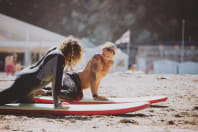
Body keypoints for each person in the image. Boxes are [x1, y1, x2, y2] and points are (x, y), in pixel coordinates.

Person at [0, 39, 82, 108]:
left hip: (27, 79)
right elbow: (57, 82)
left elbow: (52, 79)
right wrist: (57, 104)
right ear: (73, 54)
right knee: (4, 99)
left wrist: (57, 102)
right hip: (26, 83)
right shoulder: (60, 58)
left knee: (26, 103)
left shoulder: (55, 49)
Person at [38, 41, 116, 101]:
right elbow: (93, 77)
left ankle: (40, 89)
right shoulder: (97, 58)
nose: (105, 57)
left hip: (78, 86)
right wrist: (95, 95)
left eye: (108, 56)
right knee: (71, 94)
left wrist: (97, 94)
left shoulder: (110, 64)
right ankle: (43, 92)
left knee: (74, 94)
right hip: (73, 78)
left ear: (113, 55)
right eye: (103, 54)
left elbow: (98, 79)